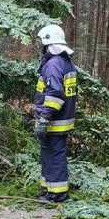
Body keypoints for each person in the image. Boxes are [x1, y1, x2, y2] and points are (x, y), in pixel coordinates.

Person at [33, 24, 77, 203]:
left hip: (54, 121)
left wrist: (44, 118)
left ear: (48, 43)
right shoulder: (66, 62)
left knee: (54, 156)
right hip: (62, 119)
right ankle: (48, 189)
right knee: (48, 155)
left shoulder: (53, 64)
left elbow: (55, 95)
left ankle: (58, 194)